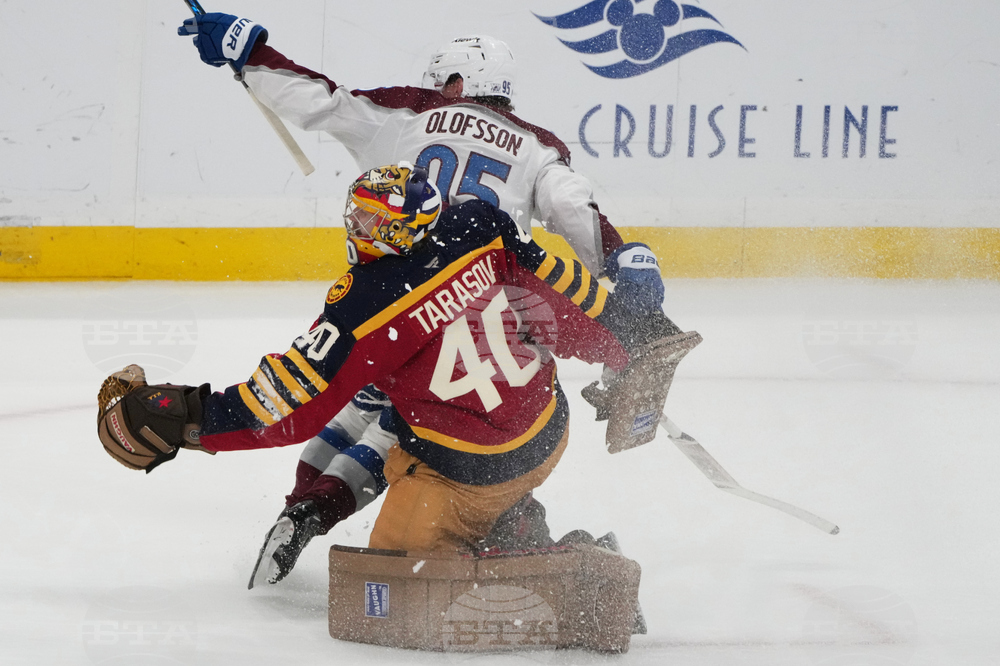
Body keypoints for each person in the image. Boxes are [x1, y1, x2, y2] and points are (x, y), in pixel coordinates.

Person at [175, 14, 674, 584]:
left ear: (456, 83)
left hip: (396, 313)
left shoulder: (411, 113)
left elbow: (319, 101)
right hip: (500, 329)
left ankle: (312, 504)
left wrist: (251, 56)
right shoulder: (539, 148)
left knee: (359, 402)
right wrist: (624, 269)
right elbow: (578, 220)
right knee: (446, 433)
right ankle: (511, 525)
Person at [96, 164, 679, 583]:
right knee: (384, 403)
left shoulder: (367, 303)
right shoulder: (481, 224)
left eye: (370, 221)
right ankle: (481, 510)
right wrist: (632, 337)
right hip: (548, 430)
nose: (356, 229)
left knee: (397, 575)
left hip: (469, 475)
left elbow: (290, 402)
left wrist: (190, 420)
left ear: (398, 231)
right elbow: (566, 299)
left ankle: (550, 552)